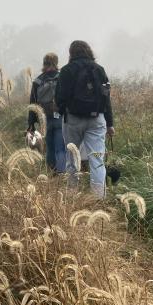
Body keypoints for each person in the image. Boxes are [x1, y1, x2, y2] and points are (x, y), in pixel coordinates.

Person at [56, 40, 115, 198]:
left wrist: (65, 112)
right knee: (97, 159)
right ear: (89, 51)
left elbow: (59, 97)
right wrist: (110, 123)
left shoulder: (66, 70)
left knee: (72, 158)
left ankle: (72, 196)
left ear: (71, 53)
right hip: (96, 121)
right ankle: (98, 198)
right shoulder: (99, 70)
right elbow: (106, 98)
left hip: (73, 120)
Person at [28, 52, 66, 173]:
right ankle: (61, 175)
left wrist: (31, 123)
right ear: (56, 63)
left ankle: (52, 174)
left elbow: (32, 104)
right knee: (60, 148)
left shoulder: (38, 81)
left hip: (44, 119)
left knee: (49, 148)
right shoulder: (62, 77)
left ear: (44, 63)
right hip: (60, 118)